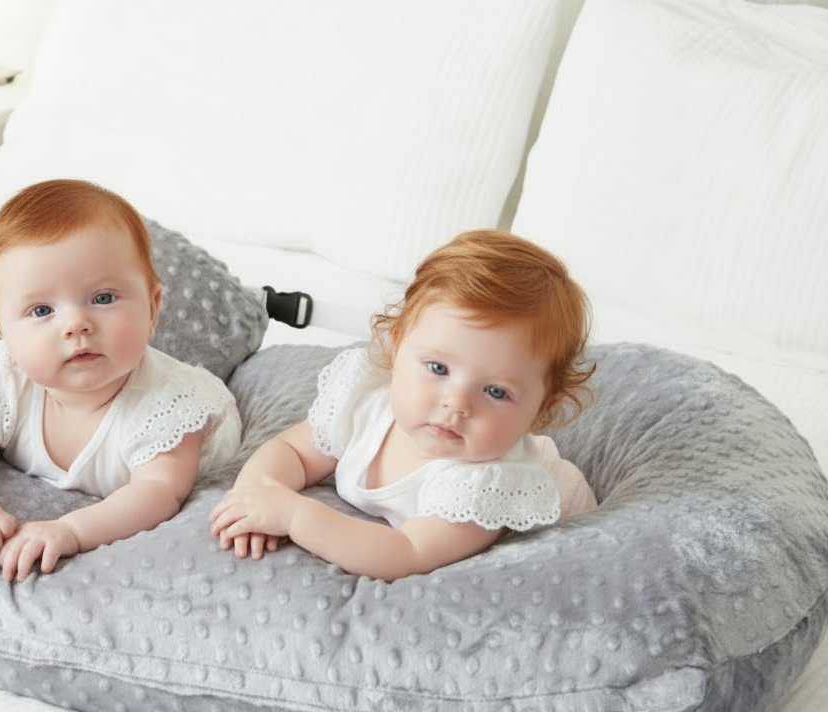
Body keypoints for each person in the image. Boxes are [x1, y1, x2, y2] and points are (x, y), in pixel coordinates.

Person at [209, 229, 596, 581]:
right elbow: (292, 450)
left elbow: (406, 553)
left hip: (560, 495)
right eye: (438, 368)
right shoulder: (366, 406)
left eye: (496, 392)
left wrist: (293, 515)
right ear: (396, 346)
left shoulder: (483, 485)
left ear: (542, 411)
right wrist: (256, 498)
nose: (457, 403)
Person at [0, 179, 239, 582]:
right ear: (5, 337)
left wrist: (70, 530)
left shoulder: (169, 406)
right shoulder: (8, 381)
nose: (75, 325)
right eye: (41, 310)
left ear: (153, 309)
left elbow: (158, 492)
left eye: (103, 298)